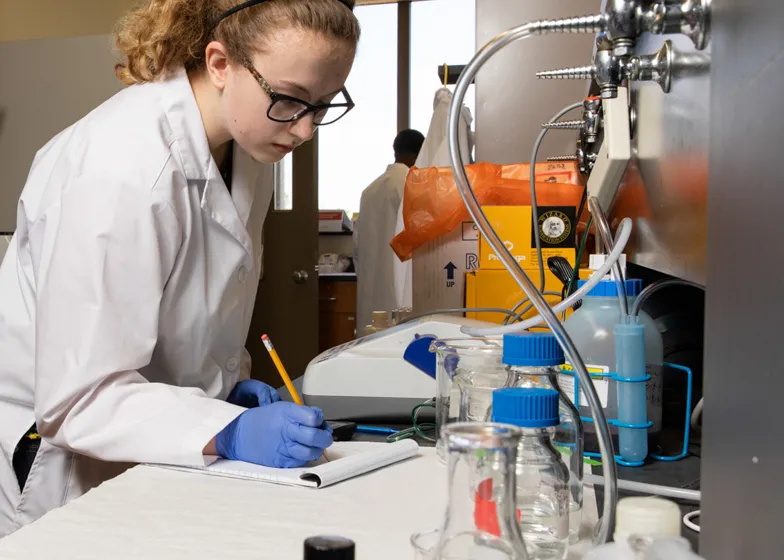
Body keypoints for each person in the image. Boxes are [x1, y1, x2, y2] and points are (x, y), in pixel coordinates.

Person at [0, 0, 359, 536]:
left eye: (325, 104)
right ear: (219, 64)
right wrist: (228, 428)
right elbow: (78, 399)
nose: (305, 130)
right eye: (290, 100)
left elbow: (188, 314)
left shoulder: (243, 149)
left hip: (157, 460)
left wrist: (221, 389)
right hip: (62, 466)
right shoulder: (120, 168)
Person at [354, 129, 424, 332]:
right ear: (416, 155)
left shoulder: (369, 190)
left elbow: (357, 245)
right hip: (399, 288)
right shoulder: (410, 184)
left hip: (371, 285)